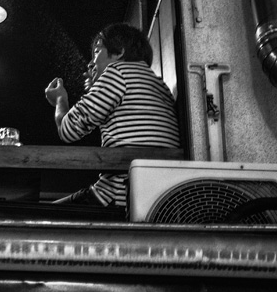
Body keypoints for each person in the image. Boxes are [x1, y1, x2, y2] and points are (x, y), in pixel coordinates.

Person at [44, 22, 180, 210]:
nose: (91, 62)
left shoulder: (117, 72)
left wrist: (60, 100)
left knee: (42, 217)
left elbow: (68, 130)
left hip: (119, 195)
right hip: (160, 199)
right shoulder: (160, 86)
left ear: (119, 53)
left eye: (97, 51)